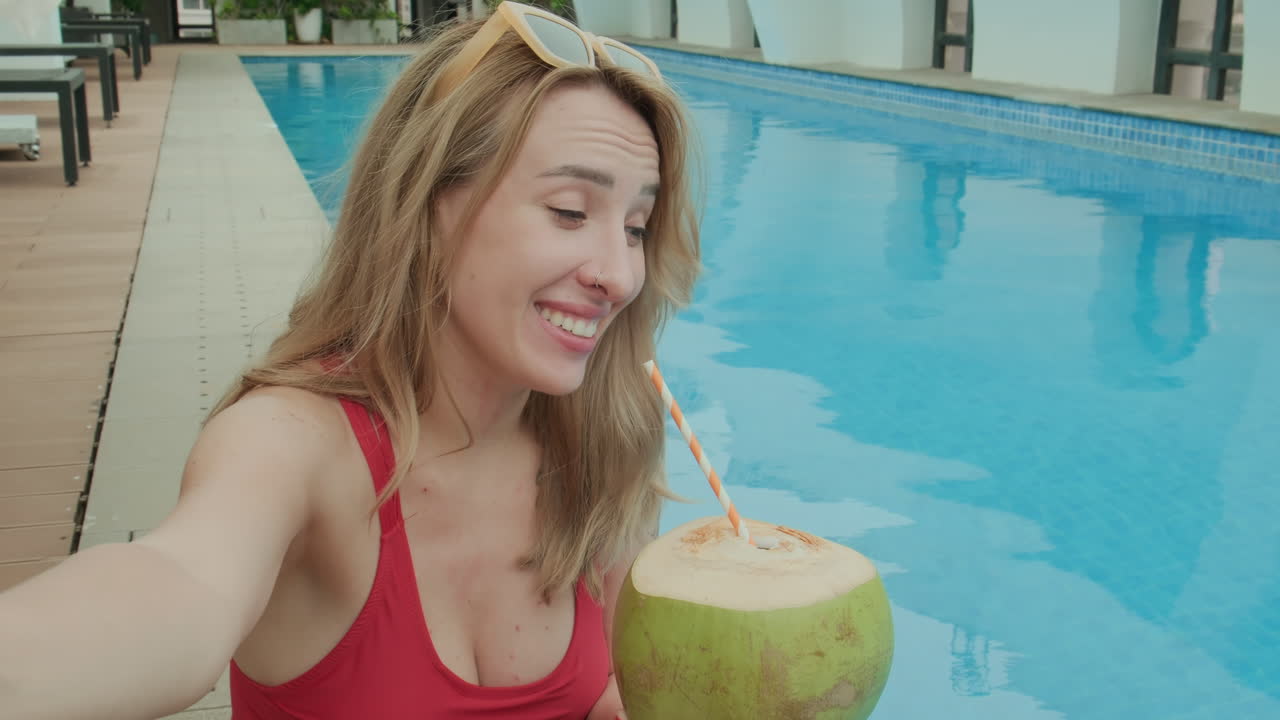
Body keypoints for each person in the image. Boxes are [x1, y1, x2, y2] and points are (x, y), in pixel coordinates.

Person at [0, 3, 701, 718]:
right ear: (430, 201)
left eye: (636, 227)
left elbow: (617, 684)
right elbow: (179, 582)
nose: (620, 275)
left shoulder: (604, 437)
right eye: (569, 211)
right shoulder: (293, 444)